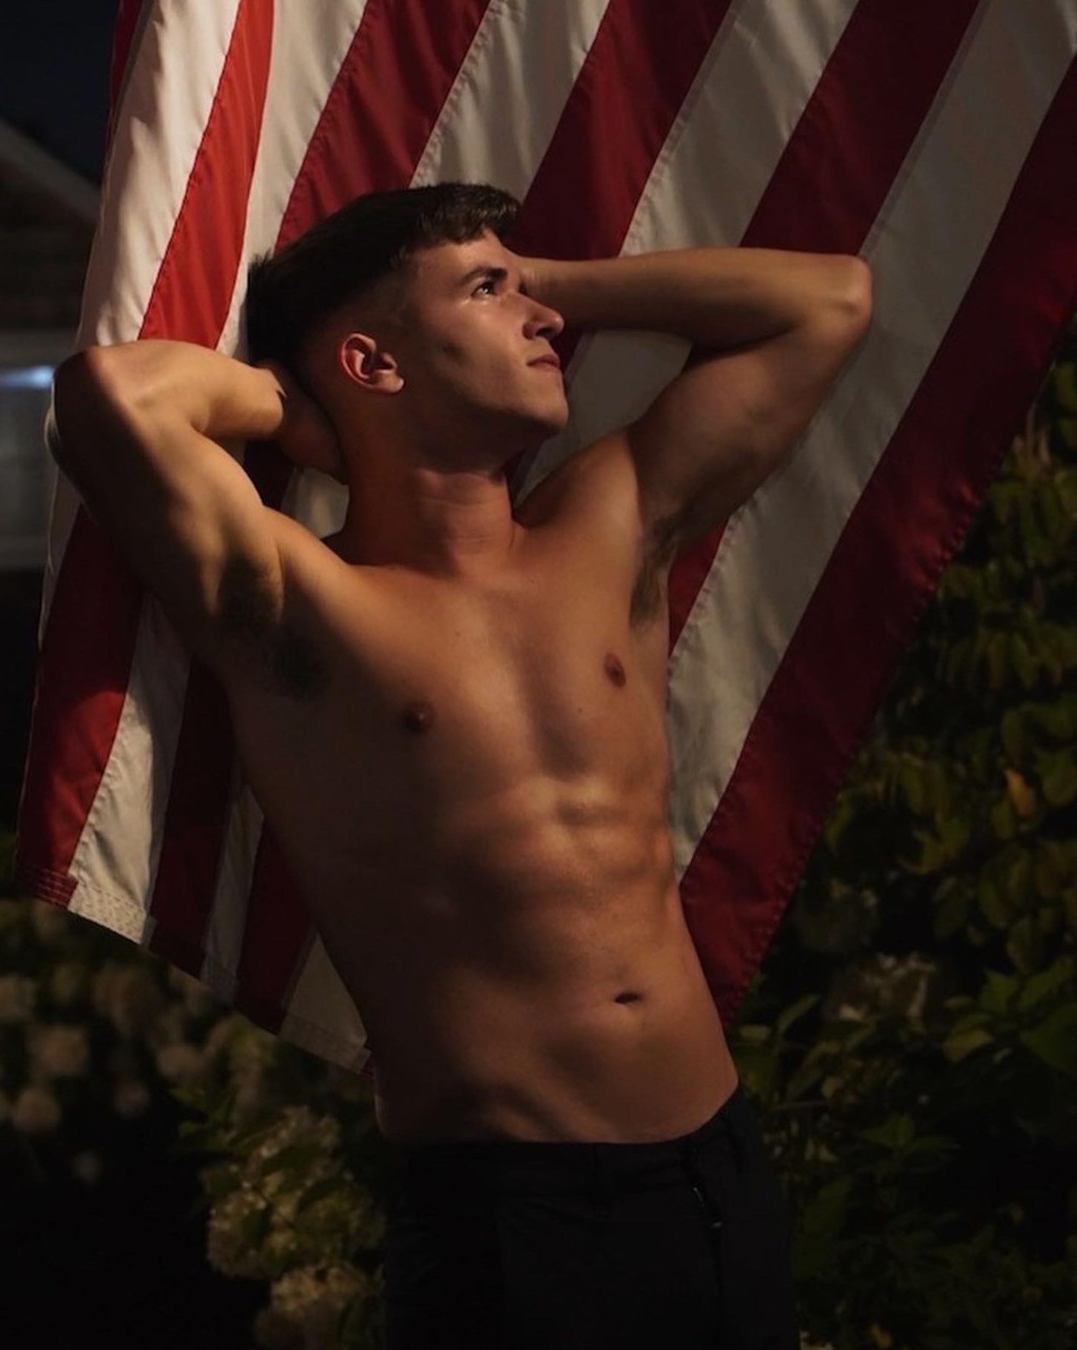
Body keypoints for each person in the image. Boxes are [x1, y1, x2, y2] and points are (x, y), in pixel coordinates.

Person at [49, 182, 871, 1348]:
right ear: (374, 362)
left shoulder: (607, 521)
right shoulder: (306, 603)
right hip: (514, 1216)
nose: (543, 320)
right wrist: (293, 409)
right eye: (489, 290)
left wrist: (548, 278)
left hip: (716, 1175)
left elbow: (830, 301)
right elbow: (108, 398)